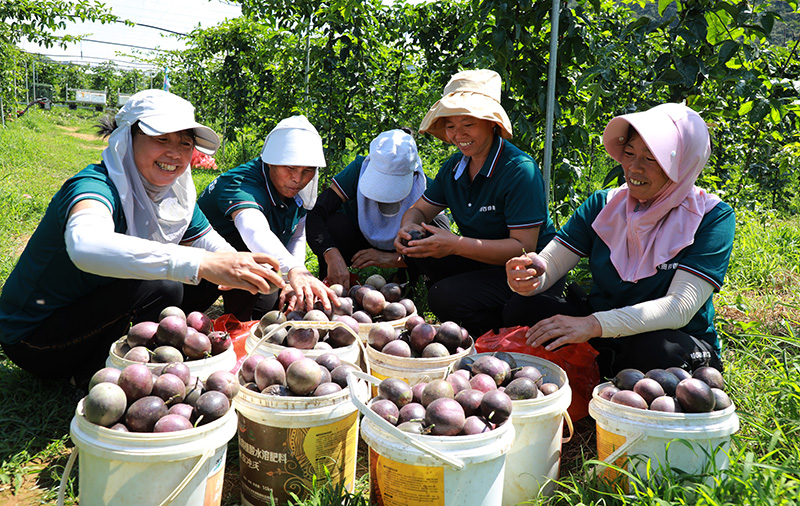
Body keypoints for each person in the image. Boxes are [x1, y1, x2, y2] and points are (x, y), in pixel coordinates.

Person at [0, 89, 285, 383]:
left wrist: (256, 270)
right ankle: (93, 374)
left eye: (185, 143)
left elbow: (211, 244)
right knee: (164, 285)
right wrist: (200, 262)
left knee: (201, 274)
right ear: (128, 139)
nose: (175, 153)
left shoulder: (171, 198)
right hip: (34, 338)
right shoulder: (95, 187)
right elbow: (85, 244)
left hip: (89, 312)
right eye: (161, 139)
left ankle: (141, 357)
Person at [505, 103, 734, 378]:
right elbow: (552, 261)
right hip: (601, 325)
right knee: (523, 307)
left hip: (669, 335)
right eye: (629, 154)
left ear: (682, 164)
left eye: (651, 159)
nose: (634, 168)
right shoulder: (605, 204)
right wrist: (531, 273)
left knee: (657, 352)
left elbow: (679, 308)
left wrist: (591, 325)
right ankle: (602, 367)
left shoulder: (711, 217)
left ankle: (602, 368)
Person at [394, 69, 559, 338]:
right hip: (483, 261)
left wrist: (456, 245)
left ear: (491, 123)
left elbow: (523, 247)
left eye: (468, 124)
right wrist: (407, 228)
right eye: (450, 125)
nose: (459, 134)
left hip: (526, 271)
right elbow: (420, 210)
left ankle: (497, 323)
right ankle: (473, 303)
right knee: (421, 239)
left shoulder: (519, 170)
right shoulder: (455, 167)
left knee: (443, 298)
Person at [198, 115, 337, 321]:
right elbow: (254, 230)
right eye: (289, 168)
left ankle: (240, 323)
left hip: (245, 265)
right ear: (271, 162)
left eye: (307, 171)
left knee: (269, 313)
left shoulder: (294, 189)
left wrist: (293, 276)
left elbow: (297, 234)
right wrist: (294, 269)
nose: (297, 179)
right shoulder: (242, 183)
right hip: (200, 268)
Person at [306, 128, 448, 290]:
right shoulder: (358, 169)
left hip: (403, 247)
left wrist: (396, 259)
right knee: (334, 223)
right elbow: (315, 213)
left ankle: (407, 282)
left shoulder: (424, 187)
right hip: (357, 237)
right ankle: (333, 279)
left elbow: (442, 249)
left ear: (414, 174)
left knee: (431, 230)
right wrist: (330, 253)